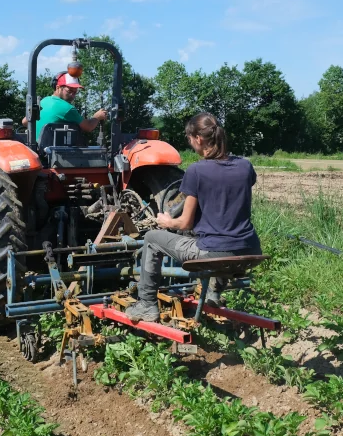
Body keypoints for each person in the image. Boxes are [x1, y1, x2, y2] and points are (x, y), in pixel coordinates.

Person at [126, 112, 263, 322]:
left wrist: (166, 221)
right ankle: (213, 294)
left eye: (190, 140)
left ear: (198, 139)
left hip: (216, 252)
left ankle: (146, 304)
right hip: (251, 248)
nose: (191, 145)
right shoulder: (245, 166)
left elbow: (185, 222)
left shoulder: (197, 171)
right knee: (219, 239)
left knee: (153, 238)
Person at [22, 71, 108, 139]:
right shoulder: (67, 109)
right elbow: (88, 127)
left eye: (75, 92)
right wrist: (97, 117)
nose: (73, 95)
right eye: (69, 91)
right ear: (58, 88)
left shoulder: (44, 101)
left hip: (37, 148)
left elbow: (25, 122)